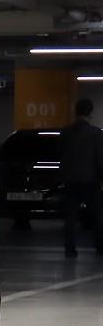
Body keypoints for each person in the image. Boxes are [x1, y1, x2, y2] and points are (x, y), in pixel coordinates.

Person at [59, 98, 103, 257]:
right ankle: (100, 246)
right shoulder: (96, 133)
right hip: (91, 180)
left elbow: (60, 155)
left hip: (71, 180)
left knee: (70, 217)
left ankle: (70, 249)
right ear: (90, 112)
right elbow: (99, 158)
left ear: (75, 112)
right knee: (97, 215)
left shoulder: (66, 132)